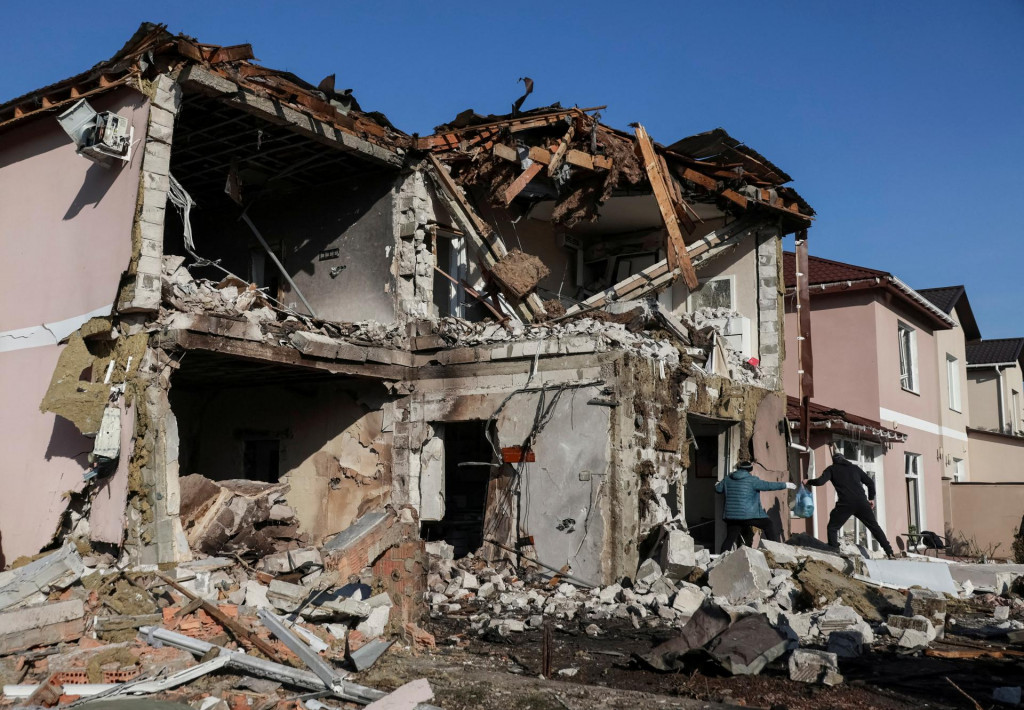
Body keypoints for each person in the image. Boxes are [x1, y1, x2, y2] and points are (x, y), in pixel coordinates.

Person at [804, 451, 895, 558]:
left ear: (834, 461)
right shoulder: (855, 468)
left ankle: (833, 549)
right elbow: (870, 482)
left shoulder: (832, 469)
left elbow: (820, 482)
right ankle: (889, 552)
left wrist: (808, 481)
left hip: (845, 504)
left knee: (833, 527)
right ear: (844, 459)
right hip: (862, 503)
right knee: (874, 527)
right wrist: (871, 498)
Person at [715, 460, 795, 551]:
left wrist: (717, 484)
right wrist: (785, 484)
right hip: (749, 515)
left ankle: (722, 559)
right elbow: (768, 485)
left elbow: (718, 489)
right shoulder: (753, 480)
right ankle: (775, 551)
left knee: (730, 538)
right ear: (749, 469)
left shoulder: (728, 479)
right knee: (768, 525)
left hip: (732, 516)